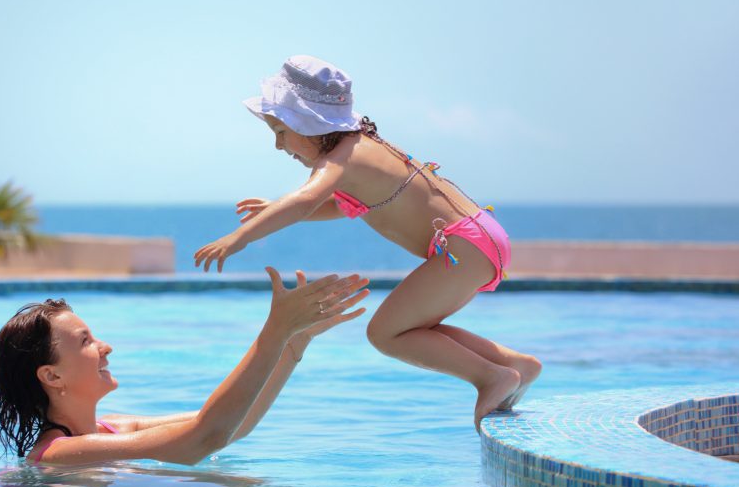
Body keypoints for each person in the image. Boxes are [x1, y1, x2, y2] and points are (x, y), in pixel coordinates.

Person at [194, 55, 542, 430]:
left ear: (308, 123)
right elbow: (340, 206)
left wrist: (239, 237)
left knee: (385, 333)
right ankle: (512, 364)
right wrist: (276, 206)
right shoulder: (359, 149)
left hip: (463, 247)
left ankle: (491, 377)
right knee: (414, 328)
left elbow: (305, 200)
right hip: (476, 239)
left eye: (281, 131)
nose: (279, 146)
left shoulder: (345, 157)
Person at [0, 268, 369, 465]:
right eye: (86, 341)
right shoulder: (58, 454)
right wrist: (274, 330)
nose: (106, 347)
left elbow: (236, 422)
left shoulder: (115, 428)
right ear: (51, 375)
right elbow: (203, 439)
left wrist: (294, 341)